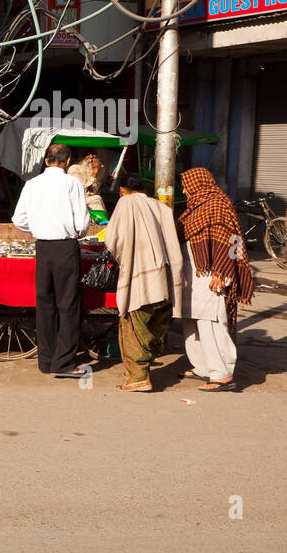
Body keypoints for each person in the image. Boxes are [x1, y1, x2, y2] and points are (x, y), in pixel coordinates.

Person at [12, 142, 91, 376]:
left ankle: (46, 361)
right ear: (68, 162)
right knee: (68, 305)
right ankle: (64, 362)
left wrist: (37, 227)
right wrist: (76, 232)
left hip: (43, 247)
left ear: (46, 160)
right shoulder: (72, 183)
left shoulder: (32, 184)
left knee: (45, 304)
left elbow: (19, 219)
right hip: (65, 247)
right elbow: (82, 222)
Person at [103, 174, 185, 392]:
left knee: (133, 327)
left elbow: (112, 239)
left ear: (123, 190)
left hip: (141, 278)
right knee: (155, 327)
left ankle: (139, 377)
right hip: (165, 278)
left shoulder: (126, 203)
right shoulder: (161, 207)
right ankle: (140, 370)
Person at [176, 167, 254, 392]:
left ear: (197, 184)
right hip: (192, 275)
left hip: (212, 274)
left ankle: (222, 373)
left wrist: (221, 272)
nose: (184, 189)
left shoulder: (218, 205)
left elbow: (232, 240)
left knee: (210, 322)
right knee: (191, 320)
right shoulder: (192, 210)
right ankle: (202, 366)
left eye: (186, 185)